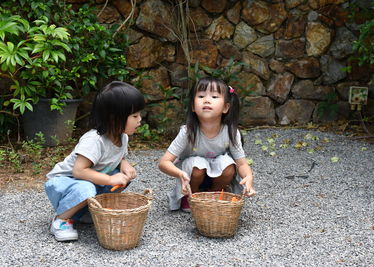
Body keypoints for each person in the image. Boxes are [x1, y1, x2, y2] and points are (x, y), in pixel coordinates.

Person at [45, 81, 145, 241]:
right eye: (134, 116)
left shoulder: (122, 136)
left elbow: (118, 157)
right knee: (88, 187)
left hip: (85, 182)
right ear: (114, 118)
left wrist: (124, 165)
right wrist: (110, 179)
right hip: (64, 183)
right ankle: (60, 220)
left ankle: (85, 213)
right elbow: (79, 171)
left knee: (122, 178)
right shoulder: (94, 140)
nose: (140, 119)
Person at [159, 76, 256, 212]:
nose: (207, 100)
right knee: (197, 165)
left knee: (229, 165)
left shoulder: (231, 132)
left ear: (226, 107)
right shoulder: (188, 131)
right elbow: (164, 163)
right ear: (193, 106)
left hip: (217, 175)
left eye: (214, 97)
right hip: (192, 177)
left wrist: (248, 177)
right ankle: (192, 196)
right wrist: (180, 174)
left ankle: (214, 192)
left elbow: (241, 163)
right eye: (201, 96)